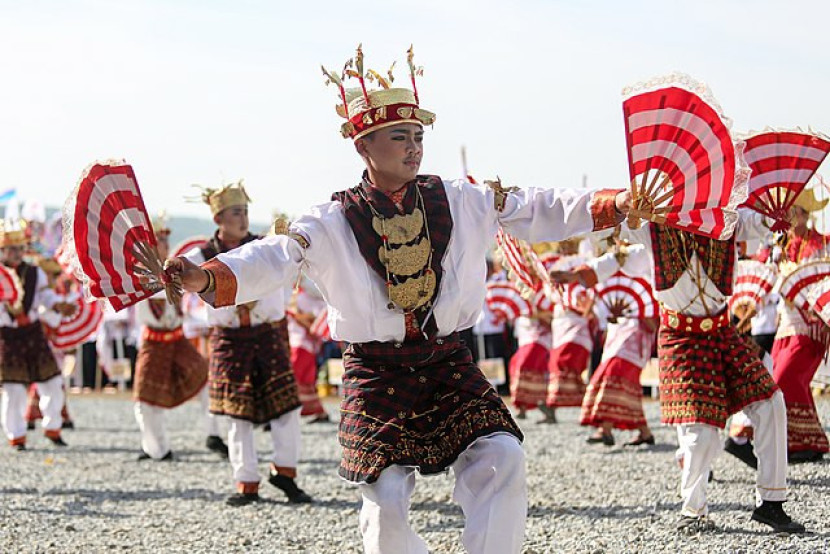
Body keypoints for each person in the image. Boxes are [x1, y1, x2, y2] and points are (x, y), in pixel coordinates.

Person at [166, 45, 628, 553]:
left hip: (446, 358)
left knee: (503, 456)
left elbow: (537, 205)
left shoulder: (461, 198)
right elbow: (274, 257)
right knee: (385, 501)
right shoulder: (331, 220)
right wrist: (204, 278)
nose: (413, 147)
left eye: (418, 137)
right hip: (375, 368)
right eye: (399, 137)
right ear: (364, 146)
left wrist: (616, 204)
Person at [552, 210, 805, 534]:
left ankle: (771, 504)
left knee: (771, 403)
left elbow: (758, 222)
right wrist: (583, 271)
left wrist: (779, 213)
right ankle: (693, 510)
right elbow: (620, 249)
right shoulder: (654, 228)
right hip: (681, 337)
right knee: (699, 432)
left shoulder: (727, 219)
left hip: (722, 332)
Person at [181, 182, 310, 507]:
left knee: (287, 408)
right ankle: (246, 482)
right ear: (219, 218)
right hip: (229, 339)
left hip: (267, 334)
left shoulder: (266, 247)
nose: (243, 218)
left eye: (246, 212)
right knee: (236, 416)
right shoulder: (198, 257)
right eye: (237, 212)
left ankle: (285, 472)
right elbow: (179, 290)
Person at [132, 219, 212, 461]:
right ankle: (156, 449)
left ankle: (216, 436)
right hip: (153, 343)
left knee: (205, 381)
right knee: (145, 399)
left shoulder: (176, 270)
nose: (165, 245)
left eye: (167, 240)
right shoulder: (138, 274)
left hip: (177, 341)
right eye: (159, 240)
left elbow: (184, 307)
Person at [577, 241, 658, 447]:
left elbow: (654, 320)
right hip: (615, 337)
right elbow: (600, 315)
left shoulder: (647, 277)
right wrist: (610, 316)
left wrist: (639, 313)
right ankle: (643, 431)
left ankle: (605, 429)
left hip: (636, 339)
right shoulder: (609, 283)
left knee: (613, 376)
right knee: (624, 385)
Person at [0, 219, 71, 450]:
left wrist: (59, 305)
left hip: (32, 333)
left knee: (52, 381)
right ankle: (17, 436)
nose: (17, 253)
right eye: (12, 249)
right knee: (14, 389)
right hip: (7, 336)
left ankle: (53, 428)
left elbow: (45, 297)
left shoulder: (35, 272)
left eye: (20, 248)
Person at [287, 280, 329, 422]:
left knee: (294, 376)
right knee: (304, 379)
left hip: (303, 342)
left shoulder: (307, 294)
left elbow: (316, 317)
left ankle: (286, 413)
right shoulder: (294, 294)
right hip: (296, 340)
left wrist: (299, 318)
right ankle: (319, 412)